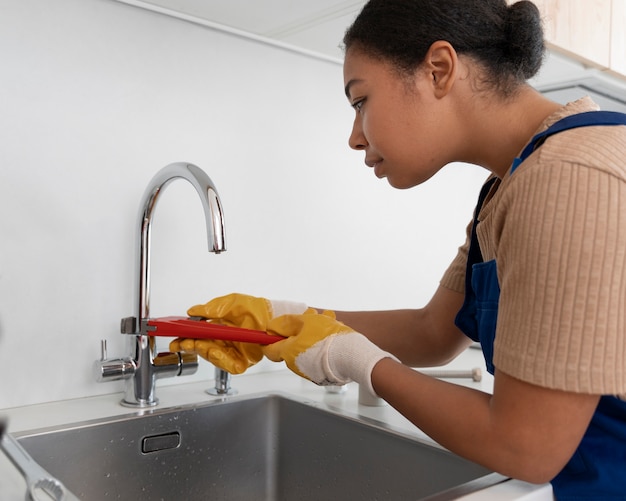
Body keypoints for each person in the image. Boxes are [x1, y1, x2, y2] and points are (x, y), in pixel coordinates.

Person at [171, 1, 626, 498]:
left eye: (360, 100)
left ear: (438, 70)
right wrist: (287, 320)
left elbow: (527, 448)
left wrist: (357, 361)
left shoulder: (570, 178)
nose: (354, 136)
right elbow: (433, 332)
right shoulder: (510, 189)